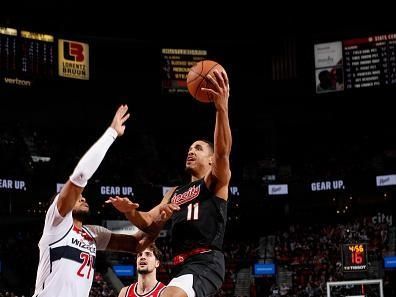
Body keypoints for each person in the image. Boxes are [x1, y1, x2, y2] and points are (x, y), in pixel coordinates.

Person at [107, 69, 232, 297]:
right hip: (179, 265)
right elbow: (147, 222)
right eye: (189, 148)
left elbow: (223, 152)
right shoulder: (175, 193)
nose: (191, 151)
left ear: (211, 160)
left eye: (198, 148)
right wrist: (129, 212)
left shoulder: (215, 181)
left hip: (205, 260)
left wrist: (221, 109)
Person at [32, 105, 176, 297]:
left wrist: (157, 219)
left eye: (82, 196)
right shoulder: (56, 223)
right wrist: (112, 133)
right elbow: (80, 175)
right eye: (77, 198)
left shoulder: (92, 234)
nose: (82, 197)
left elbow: (138, 244)